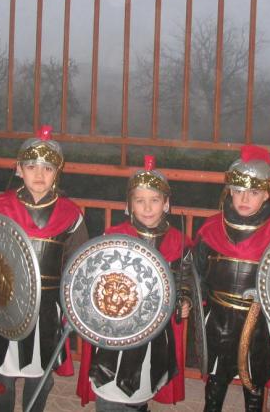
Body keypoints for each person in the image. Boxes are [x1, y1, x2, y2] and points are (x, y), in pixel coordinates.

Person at [0, 125, 89, 412]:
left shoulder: (71, 215)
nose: (39, 175)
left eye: (47, 168)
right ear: (19, 169)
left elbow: (79, 265)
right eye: (31, 167)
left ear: (57, 173)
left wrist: (74, 305)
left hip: (48, 308)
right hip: (4, 304)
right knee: (1, 373)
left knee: (39, 373)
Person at [76, 155, 191, 411]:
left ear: (166, 203)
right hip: (114, 327)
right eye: (140, 201)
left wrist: (184, 300)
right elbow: (93, 280)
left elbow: (185, 280)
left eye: (154, 200)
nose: (147, 208)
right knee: (109, 389)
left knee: (142, 385)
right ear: (130, 204)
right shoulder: (113, 237)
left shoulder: (179, 242)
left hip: (155, 331)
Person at [192, 145, 270, 412]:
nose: (245, 198)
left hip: (258, 322)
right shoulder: (210, 229)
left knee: (253, 383)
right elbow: (196, 274)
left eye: (254, 192)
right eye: (238, 190)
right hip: (218, 318)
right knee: (215, 381)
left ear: (267, 194)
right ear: (229, 191)